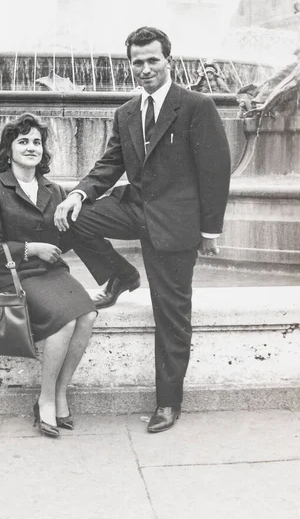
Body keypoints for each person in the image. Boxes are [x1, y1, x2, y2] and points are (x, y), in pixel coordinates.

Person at [54, 26, 231, 434]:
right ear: (130, 65)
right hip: (136, 209)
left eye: (153, 60)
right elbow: (109, 164)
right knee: (70, 218)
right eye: (138, 62)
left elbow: (214, 170)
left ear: (168, 60)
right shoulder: (127, 112)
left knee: (171, 315)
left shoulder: (196, 105)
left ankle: (169, 403)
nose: (146, 68)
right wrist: (78, 194)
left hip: (176, 224)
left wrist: (210, 230)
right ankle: (121, 275)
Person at [0, 113, 96, 438]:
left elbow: (64, 241)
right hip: (12, 274)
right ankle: (45, 399)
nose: (31, 147)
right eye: (23, 141)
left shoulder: (53, 190)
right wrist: (31, 249)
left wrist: (87, 221)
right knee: (66, 319)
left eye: (36, 142)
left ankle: (59, 392)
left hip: (50, 272)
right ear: (9, 149)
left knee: (88, 315)